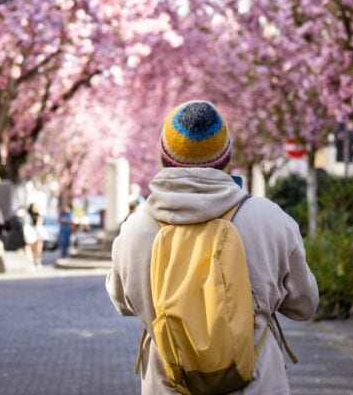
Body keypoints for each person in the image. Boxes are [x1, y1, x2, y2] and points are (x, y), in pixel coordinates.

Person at [106, 100, 319, 395]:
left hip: (168, 384)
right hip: (258, 383)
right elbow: (304, 305)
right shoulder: (269, 218)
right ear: (227, 157)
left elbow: (121, 302)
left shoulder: (136, 229)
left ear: (164, 158)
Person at [28, 203, 46, 267]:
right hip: (31, 231)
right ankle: (33, 261)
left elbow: (40, 223)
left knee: (38, 248)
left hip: (38, 232)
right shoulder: (29, 215)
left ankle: (38, 262)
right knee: (32, 248)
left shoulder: (39, 215)